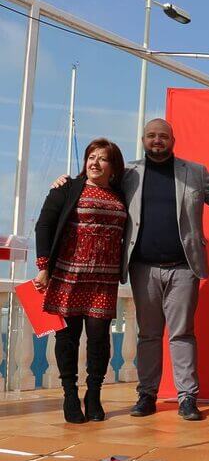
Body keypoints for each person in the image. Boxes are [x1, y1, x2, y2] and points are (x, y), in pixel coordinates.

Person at [53, 119, 209, 420]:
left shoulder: (195, 172)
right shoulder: (128, 173)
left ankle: (187, 398)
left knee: (182, 334)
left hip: (185, 267)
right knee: (148, 335)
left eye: (162, 136)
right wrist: (65, 184)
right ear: (143, 140)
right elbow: (96, 182)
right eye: (151, 136)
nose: (157, 140)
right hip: (143, 268)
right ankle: (146, 395)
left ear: (173, 139)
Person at [35, 138, 127, 423]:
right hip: (68, 275)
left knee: (99, 339)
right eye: (91, 157)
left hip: (104, 279)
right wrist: (43, 267)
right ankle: (70, 395)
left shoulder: (122, 194)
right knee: (68, 338)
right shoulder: (67, 188)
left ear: (113, 167)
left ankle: (94, 394)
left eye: (102, 158)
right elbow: (44, 225)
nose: (95, 163)